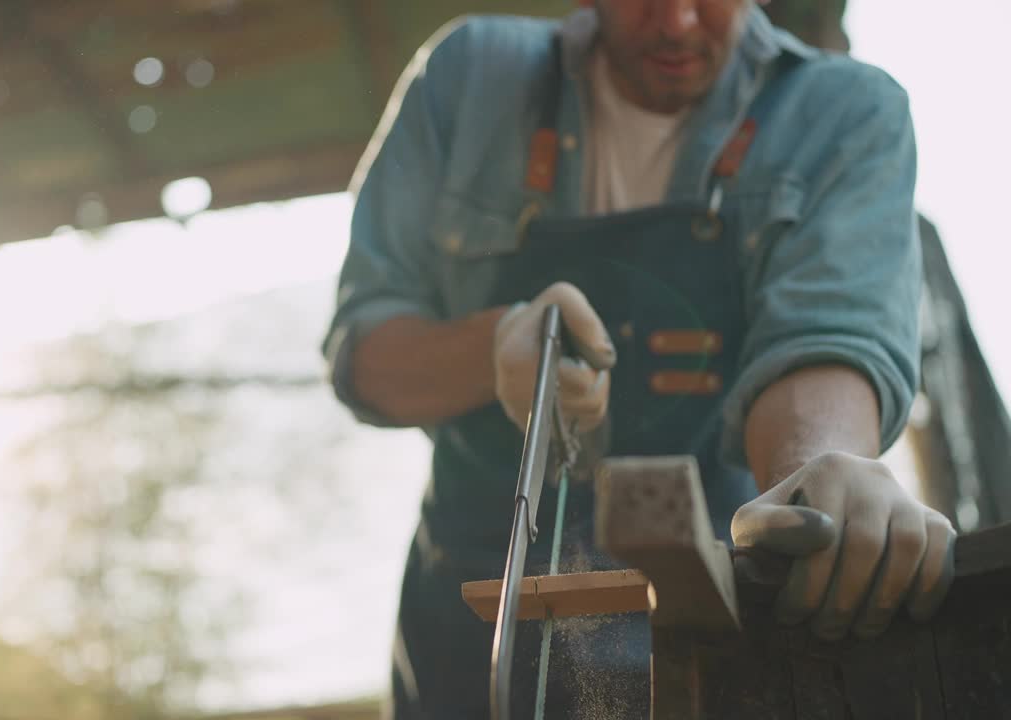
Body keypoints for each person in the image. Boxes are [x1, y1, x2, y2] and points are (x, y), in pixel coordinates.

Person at [322, 1, 957, 716]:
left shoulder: (844, 112)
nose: (679, 22)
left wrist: (818, 470)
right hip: (470, 624)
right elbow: (363, 354)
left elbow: (823, 336)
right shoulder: (468, 77)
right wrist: (495, 345)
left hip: (713, 625)